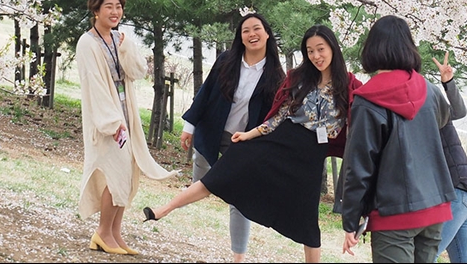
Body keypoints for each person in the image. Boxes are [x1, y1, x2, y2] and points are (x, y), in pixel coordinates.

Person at [145, 24, 363, 263]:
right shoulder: (300, 78)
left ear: (333, 48)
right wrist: (250, 134)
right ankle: (163, 210)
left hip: (310, 157)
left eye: (320, 49)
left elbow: (358, 130)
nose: (316, 56)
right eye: (310, 51)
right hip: (279, 142)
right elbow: (279, 115)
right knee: (222, 173)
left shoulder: (351, 87)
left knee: (308, 222)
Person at [339, 15, 456, 263]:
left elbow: (359, 166)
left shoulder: (368, 99)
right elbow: (446, 119)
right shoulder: (430, 90)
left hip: (394, 212)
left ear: (371, 48)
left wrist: (350, 220)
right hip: (435, 207)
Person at [77, 0, 177, 256]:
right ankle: (102, 232)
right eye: (108, 6)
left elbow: (136, 72)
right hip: (107, 121)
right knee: (114, 174)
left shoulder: (119, 38)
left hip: (126, 115)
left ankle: (115, 233)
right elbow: (94, 84)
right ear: (96, 10)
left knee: (128, 174)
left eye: (118, 7)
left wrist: (126, 49)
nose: (115, 12)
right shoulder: (87, 42)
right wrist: (111, 122)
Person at [179, 13, 286, 262]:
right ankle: (179, 202)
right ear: (240, 37)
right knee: (200, 184)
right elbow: (205, 94)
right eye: (245, 30)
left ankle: (238, 256)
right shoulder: (227, 60)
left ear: (267, 34)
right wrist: (189, 126)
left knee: (241, 198)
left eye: (257, 29)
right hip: (213, 131)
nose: (252, 34)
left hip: (244, 142)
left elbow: (274, 117)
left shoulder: (275, 75)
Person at [432, 52, 467, 263]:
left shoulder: (432, 110)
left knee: (424, 256)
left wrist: (448, 82)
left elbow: (459, 111)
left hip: (457, 192)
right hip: (462, 193)